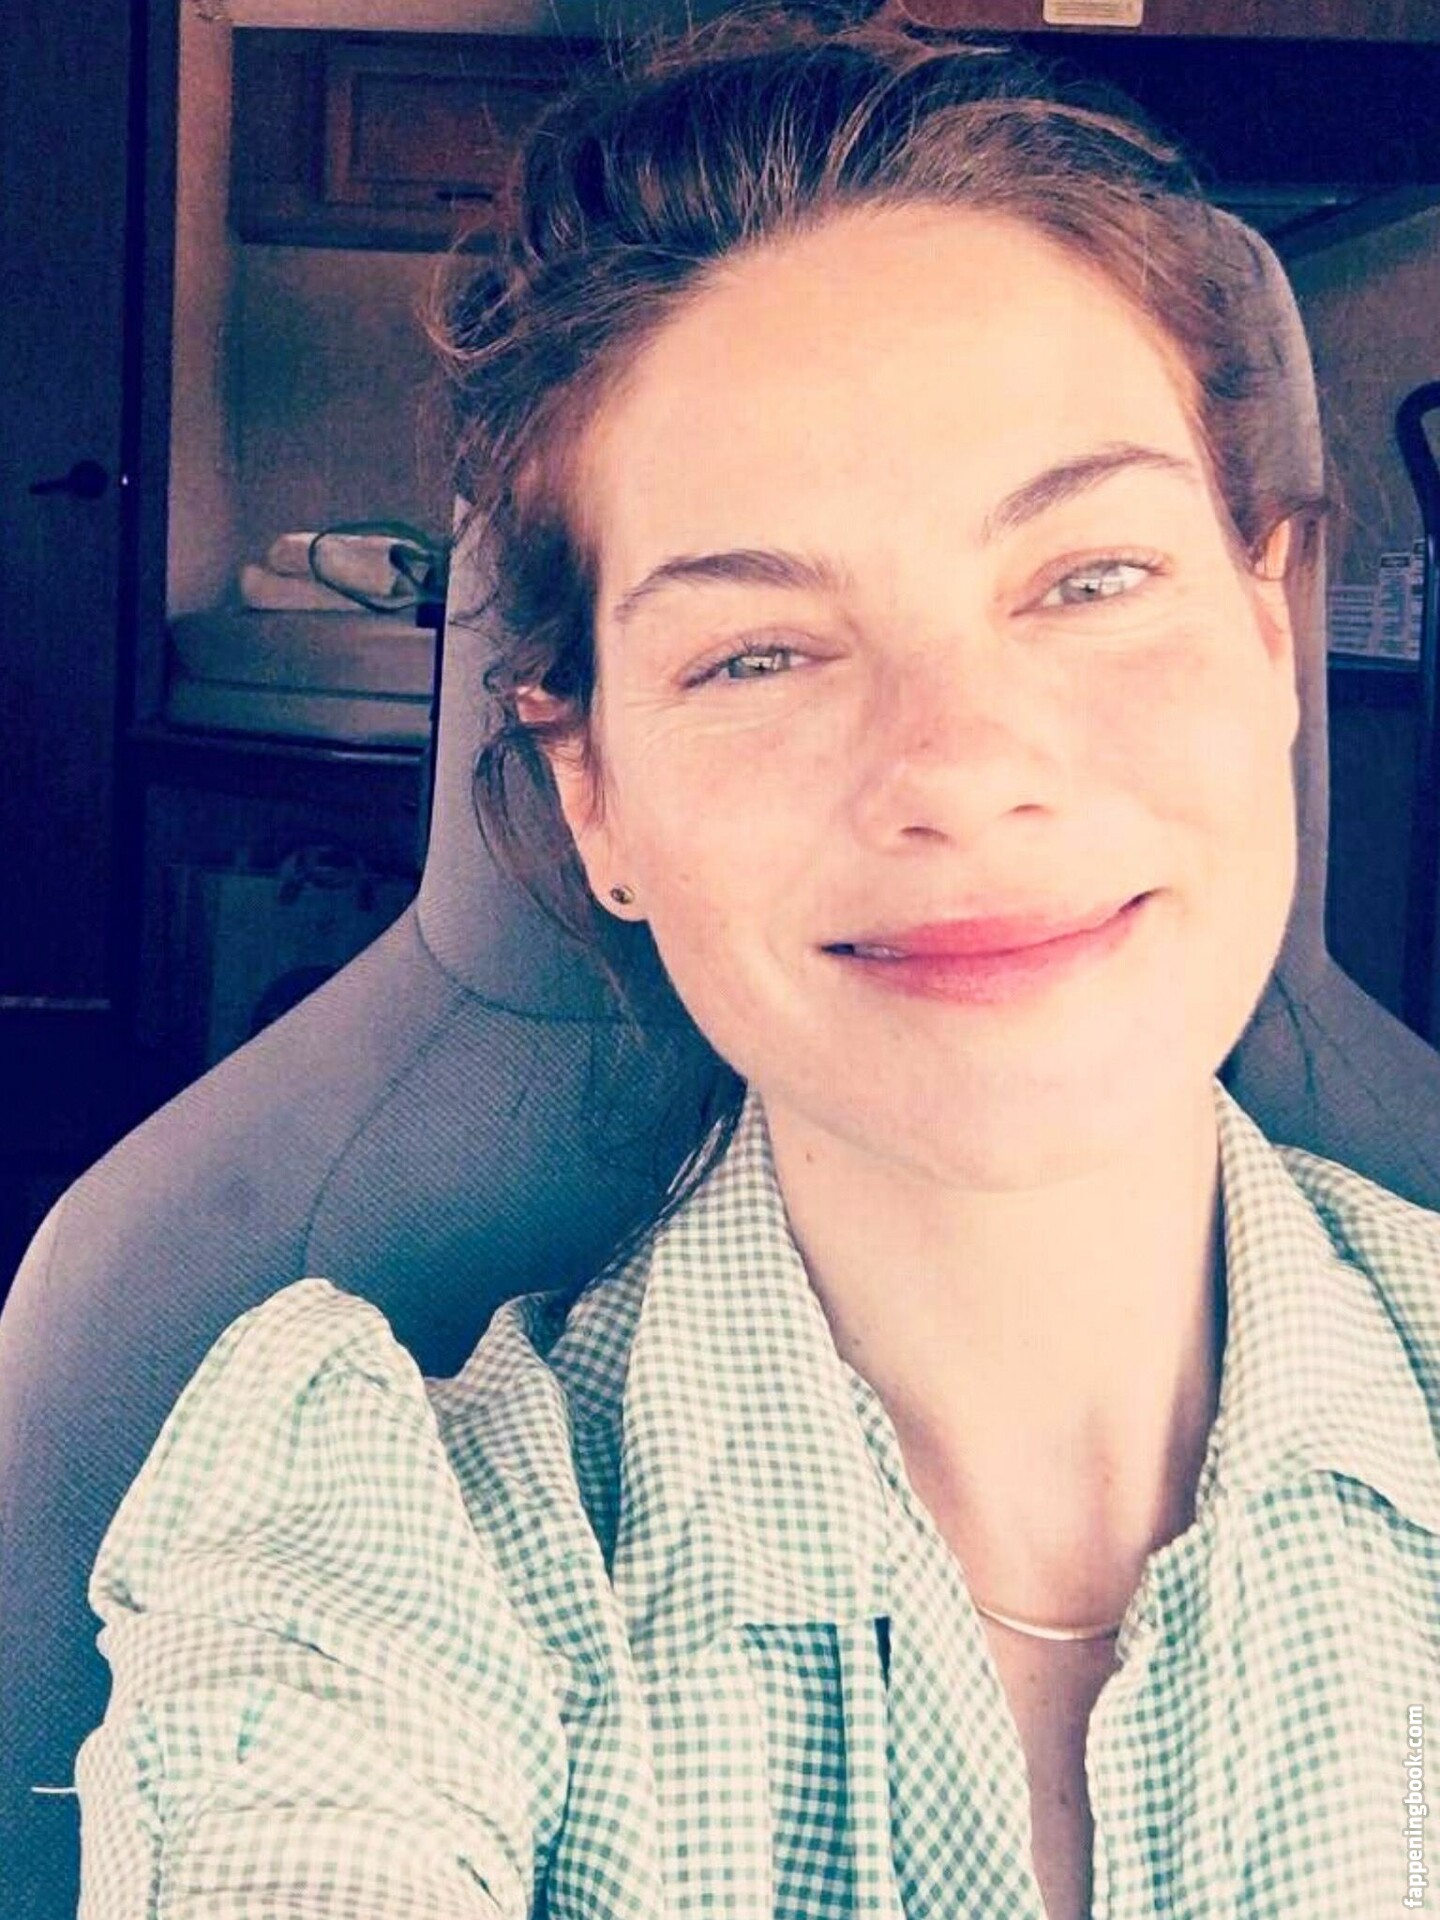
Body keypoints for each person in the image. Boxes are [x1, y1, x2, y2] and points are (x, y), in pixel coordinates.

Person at [75, 10, 1440, 1918]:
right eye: (757, 654)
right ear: (597, 797)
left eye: (1090, 578)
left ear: (1267, 630)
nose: (960, 769)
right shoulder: (380, 1545)